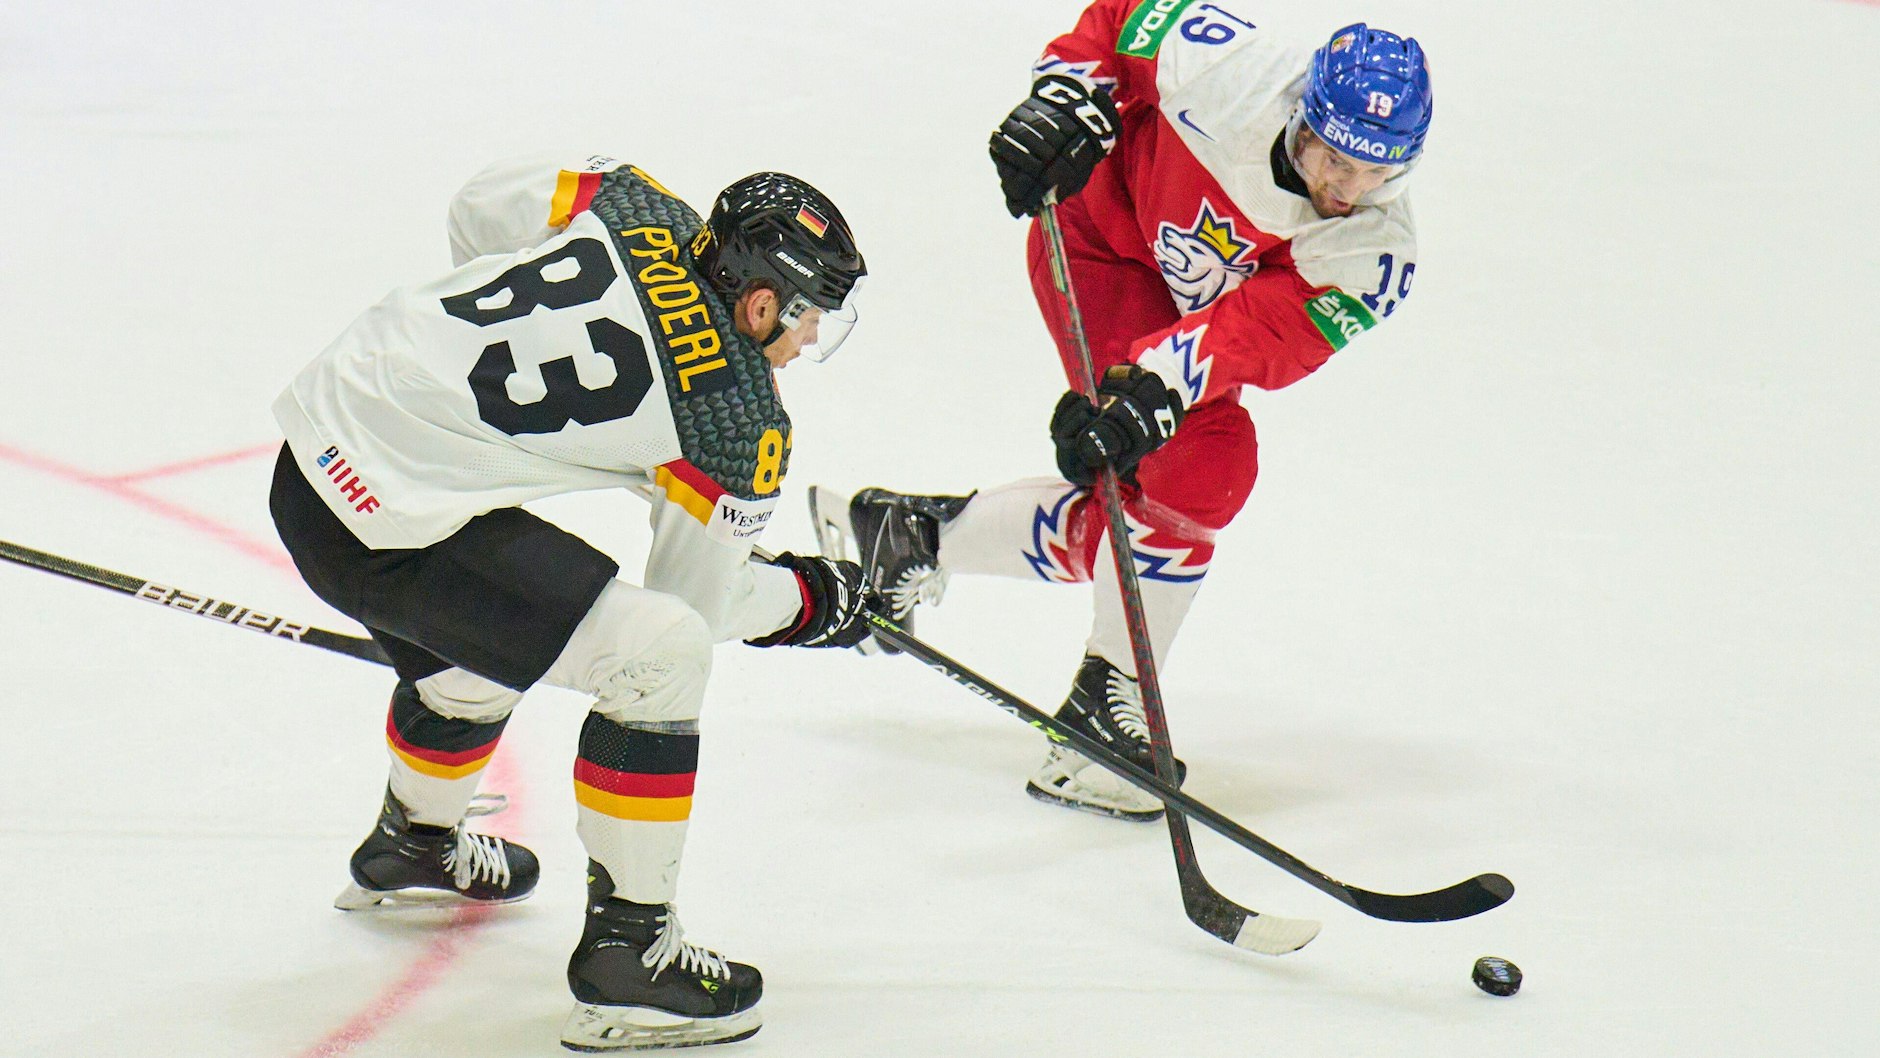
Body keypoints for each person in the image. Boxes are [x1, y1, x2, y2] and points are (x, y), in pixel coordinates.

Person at [268, 153, 872, 1051]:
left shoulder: (636, 201)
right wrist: (809, 599)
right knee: (658, 656)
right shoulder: (735, 421)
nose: (810, 339)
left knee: (505, 625)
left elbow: (476, 206)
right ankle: (631, 960)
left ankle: (415, 841)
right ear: (758, 305)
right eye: (808, 315)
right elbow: (697, 608)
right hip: (389, 525)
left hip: (316, 446)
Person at [815, 4, 1433, 821]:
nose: (1346, 189)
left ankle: (915, 539)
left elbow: (1259, 335)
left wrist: (1154, 385)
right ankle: (1104, 712)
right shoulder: (1230, 68)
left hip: (1184, 315)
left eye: (1377, 172)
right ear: (1303, 116)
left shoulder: (1373, 254)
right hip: (1096, 242)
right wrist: (1066, 97)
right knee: (1203, 466)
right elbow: (1117, 21)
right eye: (1336, 159)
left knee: (1167, 490)